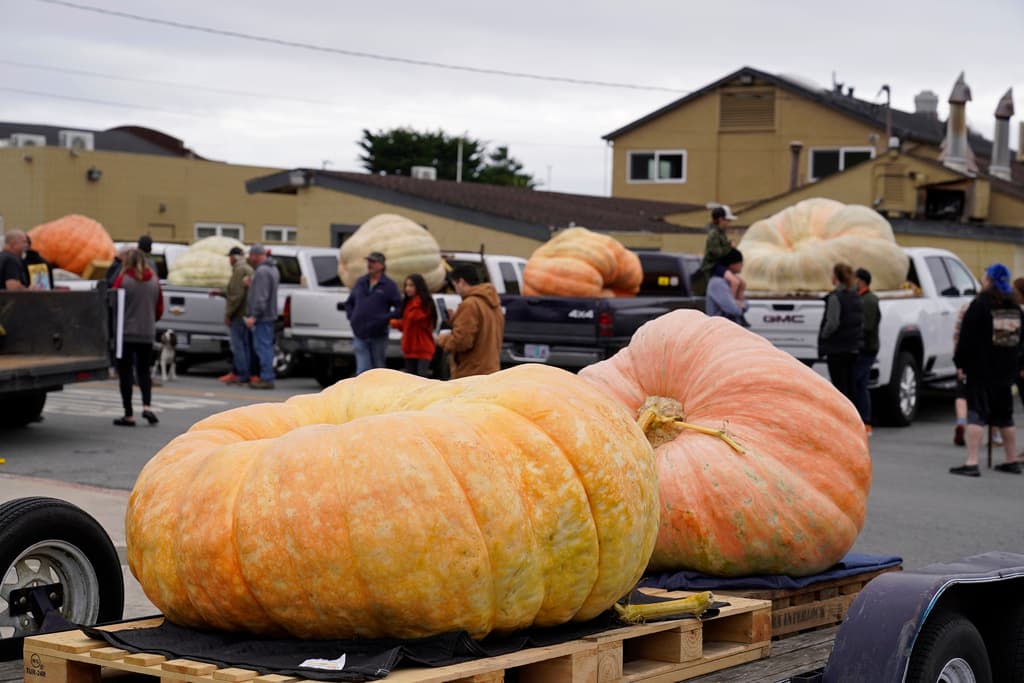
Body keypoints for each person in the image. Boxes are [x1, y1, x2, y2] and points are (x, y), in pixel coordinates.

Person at [950, 263, 1023, 476]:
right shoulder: (1014, 307)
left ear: (990, 280)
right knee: (1005, 416)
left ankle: (972, 462)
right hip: (1006, 371)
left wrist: (960, 363)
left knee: (976, 414)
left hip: (980, 370)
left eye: (985, 277)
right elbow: (1020, 340)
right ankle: (1011, 459)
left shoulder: (980, 304)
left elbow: (966, 337)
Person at [110, 248, 163, 426]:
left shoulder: (123, 279)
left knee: (126, 373)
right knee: (144, 371)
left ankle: (129, 414)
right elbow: (159, 308)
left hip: (126, 333)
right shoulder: (154, 281)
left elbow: (113, 303)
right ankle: (147, 406)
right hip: (147, 332)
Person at [436, 264, 504, 379]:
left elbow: (461, 342)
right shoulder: (494, 304)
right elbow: (483, 332)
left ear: (461, 282)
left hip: (471, 373)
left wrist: (442, 339)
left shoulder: (469, 305)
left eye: (454, 285)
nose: (455, 290)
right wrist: (455, 320)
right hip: (491, 370)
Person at [344, 251, 402, 375]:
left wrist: (384, 319)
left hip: (378, 334)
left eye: (373, 262)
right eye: (369, 262)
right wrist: (352, 317)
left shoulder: (389, 285)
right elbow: (349, 303)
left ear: (381, 265)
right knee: (363, 370)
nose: (369, 264)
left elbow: (399, 308)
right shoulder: (360, 282)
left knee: (378, 369)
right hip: (359, 332)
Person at [818, 263, 864, 405]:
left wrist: (823, 335)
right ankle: (854, 415)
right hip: (853, 347)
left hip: (837, 348)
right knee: (851, 387)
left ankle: (842, 415)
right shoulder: (856, 296)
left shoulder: (835, 298)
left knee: (839, 388)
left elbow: (832, 323)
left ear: (836, 277)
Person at [214, 246, 254, 384]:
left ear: (234, 257)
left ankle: (241, 373)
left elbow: (236, 295)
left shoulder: (239, 270)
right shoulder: (248, 268)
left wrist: (228, 314)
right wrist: (221, 292)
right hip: (246, 313)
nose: (229, 260)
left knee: (238, 346)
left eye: (230, 257)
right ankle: (246, 372)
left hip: (238, 314)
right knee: (245, 345)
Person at [244, 245, 280, 389]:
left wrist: (254, 316)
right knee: (267, 346)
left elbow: (261, 296)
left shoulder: (262, 271)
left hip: (262, 317)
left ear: (255, 255)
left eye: (251, 255)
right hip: (269, 315)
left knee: (263, 348)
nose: (249, 258)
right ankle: (266, 376)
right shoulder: (273, 269)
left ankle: (266, 378)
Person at [389, 273, 438, 377]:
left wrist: (416, 302)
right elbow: (408, 324)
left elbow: (414, 317)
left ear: (418, 286)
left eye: (411, 285)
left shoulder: (424, 304)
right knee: (411, 379)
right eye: (406, 285)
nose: (407, 288)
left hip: (422, 348)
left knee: (420, 379)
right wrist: (395, 323)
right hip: (409, 349)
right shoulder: (409, 303)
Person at [854, 268, 880, 434]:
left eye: (855, 279)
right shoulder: (861, 298)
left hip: (867, 348)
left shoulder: (869, 300)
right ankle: (863, 420)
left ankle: (865, 420)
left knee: (859, 383)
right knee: (859, 384)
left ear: (862, 281)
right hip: (863, 347)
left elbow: (868, 326)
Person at [693, 205, 738, 296]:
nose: (729, 223)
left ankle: (735, 301)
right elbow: (717, 253)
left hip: (719, 266)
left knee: (739, 282)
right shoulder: (714, 234)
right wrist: (729, 247)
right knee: (734, 282)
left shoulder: (721, 234)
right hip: (712, 267)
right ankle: (730, 302)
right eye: (727, 220)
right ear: (721, 220)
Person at [706, 248, 749, 325]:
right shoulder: (718, 283)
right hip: (719, 327)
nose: (742, 265)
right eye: (740, 262)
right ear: (731, 264)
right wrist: (739, 304)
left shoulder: (732, 280)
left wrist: (741, 290)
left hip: (731, 326)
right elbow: (733, 310)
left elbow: (746, 305)